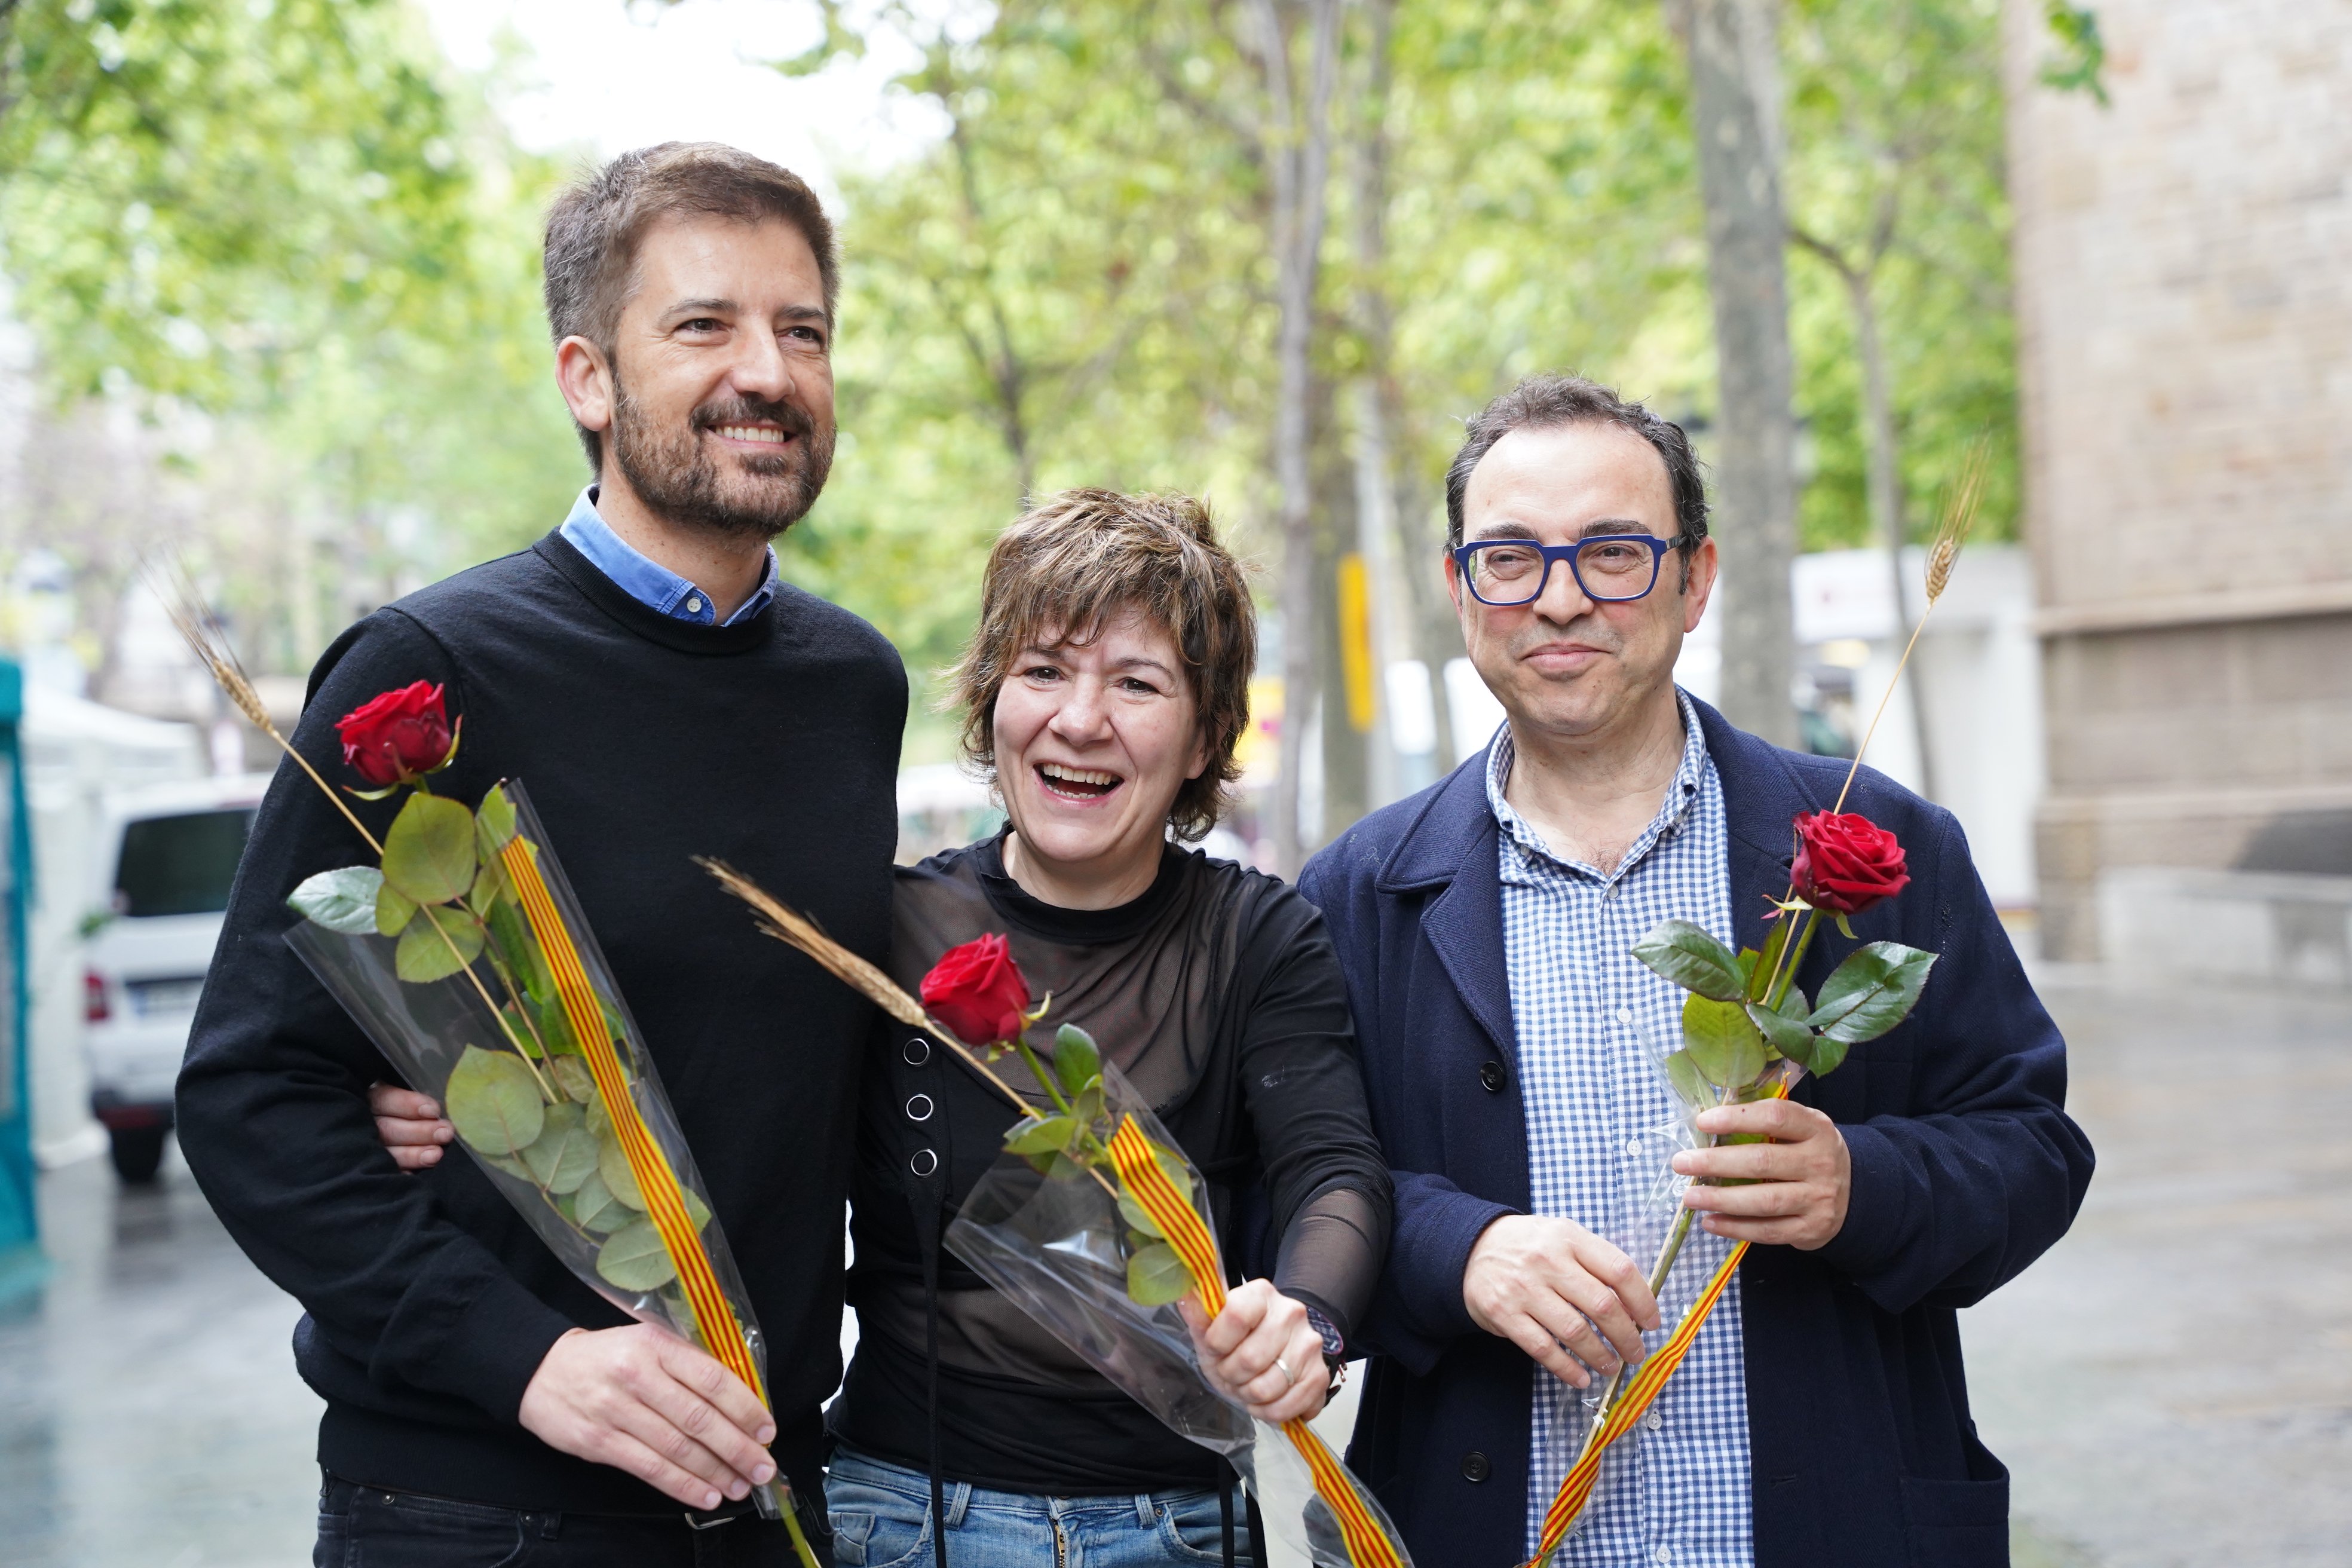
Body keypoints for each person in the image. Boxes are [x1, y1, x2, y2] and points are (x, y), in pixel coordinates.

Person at [380, 488, 1392, 1567]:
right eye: (1044, 671)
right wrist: (452, 1072)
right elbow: (692, 1079)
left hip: (1182, 1527)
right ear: (993, 702)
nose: (1081, 720)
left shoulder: (1261, 936)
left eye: (1138, 684)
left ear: (1202, 739)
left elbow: (1336, 1169)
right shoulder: (881, 926)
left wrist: (1310, 1322)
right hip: (903, 1523)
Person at [178, 143, 905, 1566]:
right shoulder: (429, 675)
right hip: (474, 1503)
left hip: (771, 1495)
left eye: (802, 329)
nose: (767, 369)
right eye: (704, 325)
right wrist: (527, 1358)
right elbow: (253, 1092)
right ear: (587, 377)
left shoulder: (853, 685)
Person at [1299, 373, 2094, 1568]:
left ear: (1696, 577)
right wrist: (1453, 1249)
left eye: (1614, 551)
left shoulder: (1877, 846)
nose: (1560, 599)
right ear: (1458, 584)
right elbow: (1284, 1194)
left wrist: (1859, 1182)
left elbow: (2033, 1149)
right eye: (1510, 557)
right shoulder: (1358, 894)